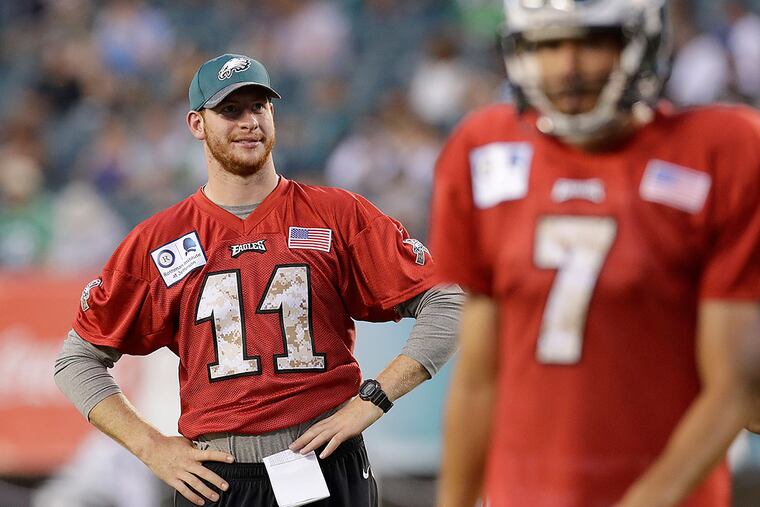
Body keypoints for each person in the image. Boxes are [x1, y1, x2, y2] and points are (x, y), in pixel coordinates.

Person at [55, 53, 462, 507]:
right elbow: (76, 360)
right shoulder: (159, 242)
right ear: (196, 124)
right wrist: (152, 447)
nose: (248, 122)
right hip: (218, 477)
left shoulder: (337, 215)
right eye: (230, 110)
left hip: (327, 461)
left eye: (258, 107)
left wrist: (375, 398)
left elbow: (449, 301)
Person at [430, 1, 760, 506]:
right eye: (548, 44)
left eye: (593, 42)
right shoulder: (482, 147)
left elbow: (738, 386)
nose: (568, 67)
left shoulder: (722, 148)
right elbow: (478, 377)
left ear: (640, 40)